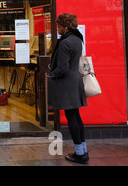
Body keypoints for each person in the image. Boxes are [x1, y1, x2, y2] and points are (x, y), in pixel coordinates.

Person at [48, 13, 88, 164]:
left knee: (72, 117)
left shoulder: (65, 43)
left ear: (65, 27)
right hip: (75, 81)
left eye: (59, 26)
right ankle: (83, 150)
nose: (58, 28)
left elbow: (62, 68)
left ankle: (79, 153)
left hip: (67, 84)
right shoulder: (77, 39)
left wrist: (51, 75)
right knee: (76, 117)